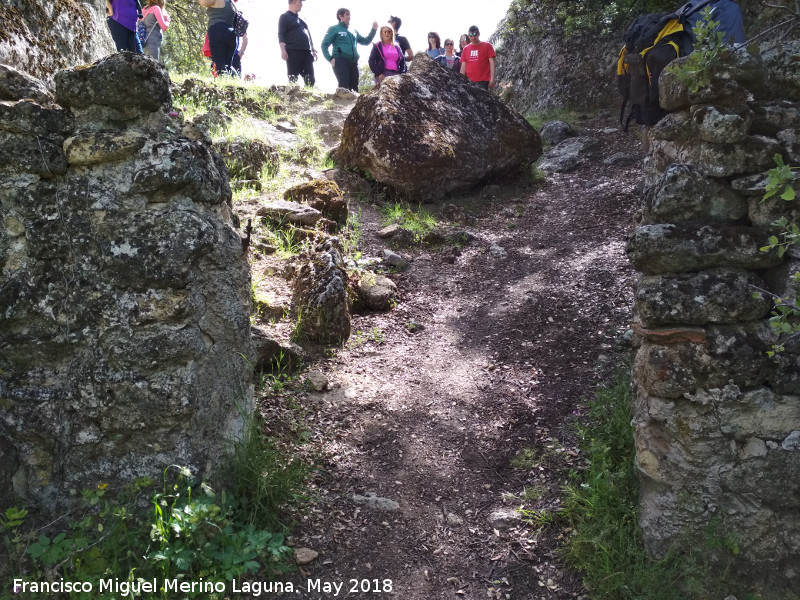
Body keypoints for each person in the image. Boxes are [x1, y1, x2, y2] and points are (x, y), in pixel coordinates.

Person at [321, 8, 377, 92]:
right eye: (347, 14)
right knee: (344, 87)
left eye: (350, 15)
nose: (349, 17)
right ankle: (340, 105)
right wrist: (330, 58)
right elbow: (324, 45)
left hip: (353, 63)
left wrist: (373, 30)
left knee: (354, 90)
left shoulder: (354, 31)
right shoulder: (334, 28)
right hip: (340, 61)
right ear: (340, 16)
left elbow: (366, 41)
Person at [279, 0, 317, 87]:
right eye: (300, 2)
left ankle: (309, 98)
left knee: (310, 78)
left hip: (306, 52)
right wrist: (283, 50)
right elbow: (281, 34)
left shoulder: (301, 21)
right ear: (294, 2)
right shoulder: (284, 17)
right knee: (293, 78)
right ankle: (292, 98)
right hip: (293, 52)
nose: (302, 5)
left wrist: (313, 49)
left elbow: (308, 35)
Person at [198, 0, 237, 76]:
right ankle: (234, 83)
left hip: (217, 30)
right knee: (228, 65)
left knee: (220, 64)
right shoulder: (232, 3)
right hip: (231, 34)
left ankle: (224, 84)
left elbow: (202, 2)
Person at [460, 25, 495, 89]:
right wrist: (461, 80)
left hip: (483, 81)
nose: (473, 37)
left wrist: (492, 78)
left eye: (475, 34)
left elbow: (492, 63)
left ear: (479, 34)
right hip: (469, 81)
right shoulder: (466, 49)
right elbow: (463, 66)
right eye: (470, 35)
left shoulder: (487, 46)